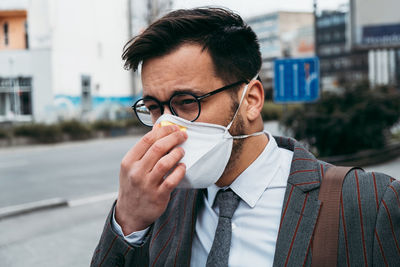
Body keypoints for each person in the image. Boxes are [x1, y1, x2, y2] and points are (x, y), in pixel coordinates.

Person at [91, 7, 400, 267]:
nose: (167, 126)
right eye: (155, 108)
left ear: (251, 100)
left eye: (187, 102)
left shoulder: (369, 202)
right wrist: (128, 222)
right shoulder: (158, 202)